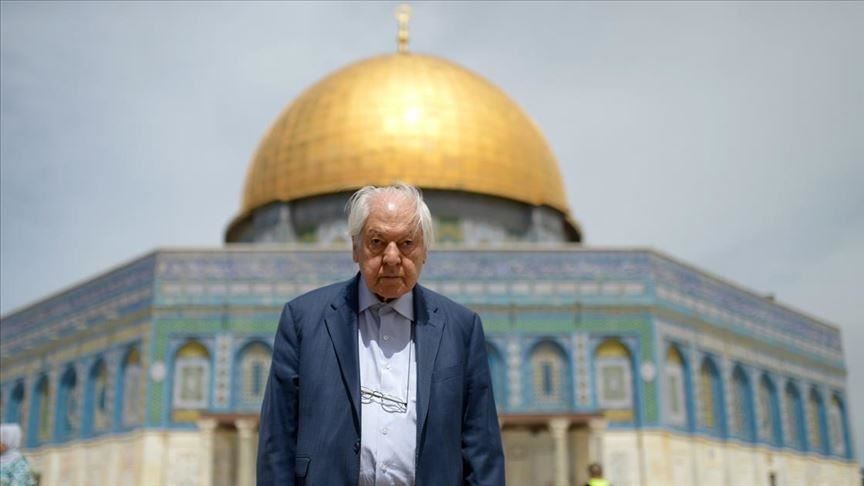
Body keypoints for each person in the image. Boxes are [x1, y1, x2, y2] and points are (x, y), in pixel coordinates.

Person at [257, 184, 505, 485]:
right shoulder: (305, 321)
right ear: (355, 247)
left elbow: (482, 451)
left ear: (425, 250)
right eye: (377, 242)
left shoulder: (460, 329)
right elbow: (277, 445)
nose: (391, 257)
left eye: (407, 243)